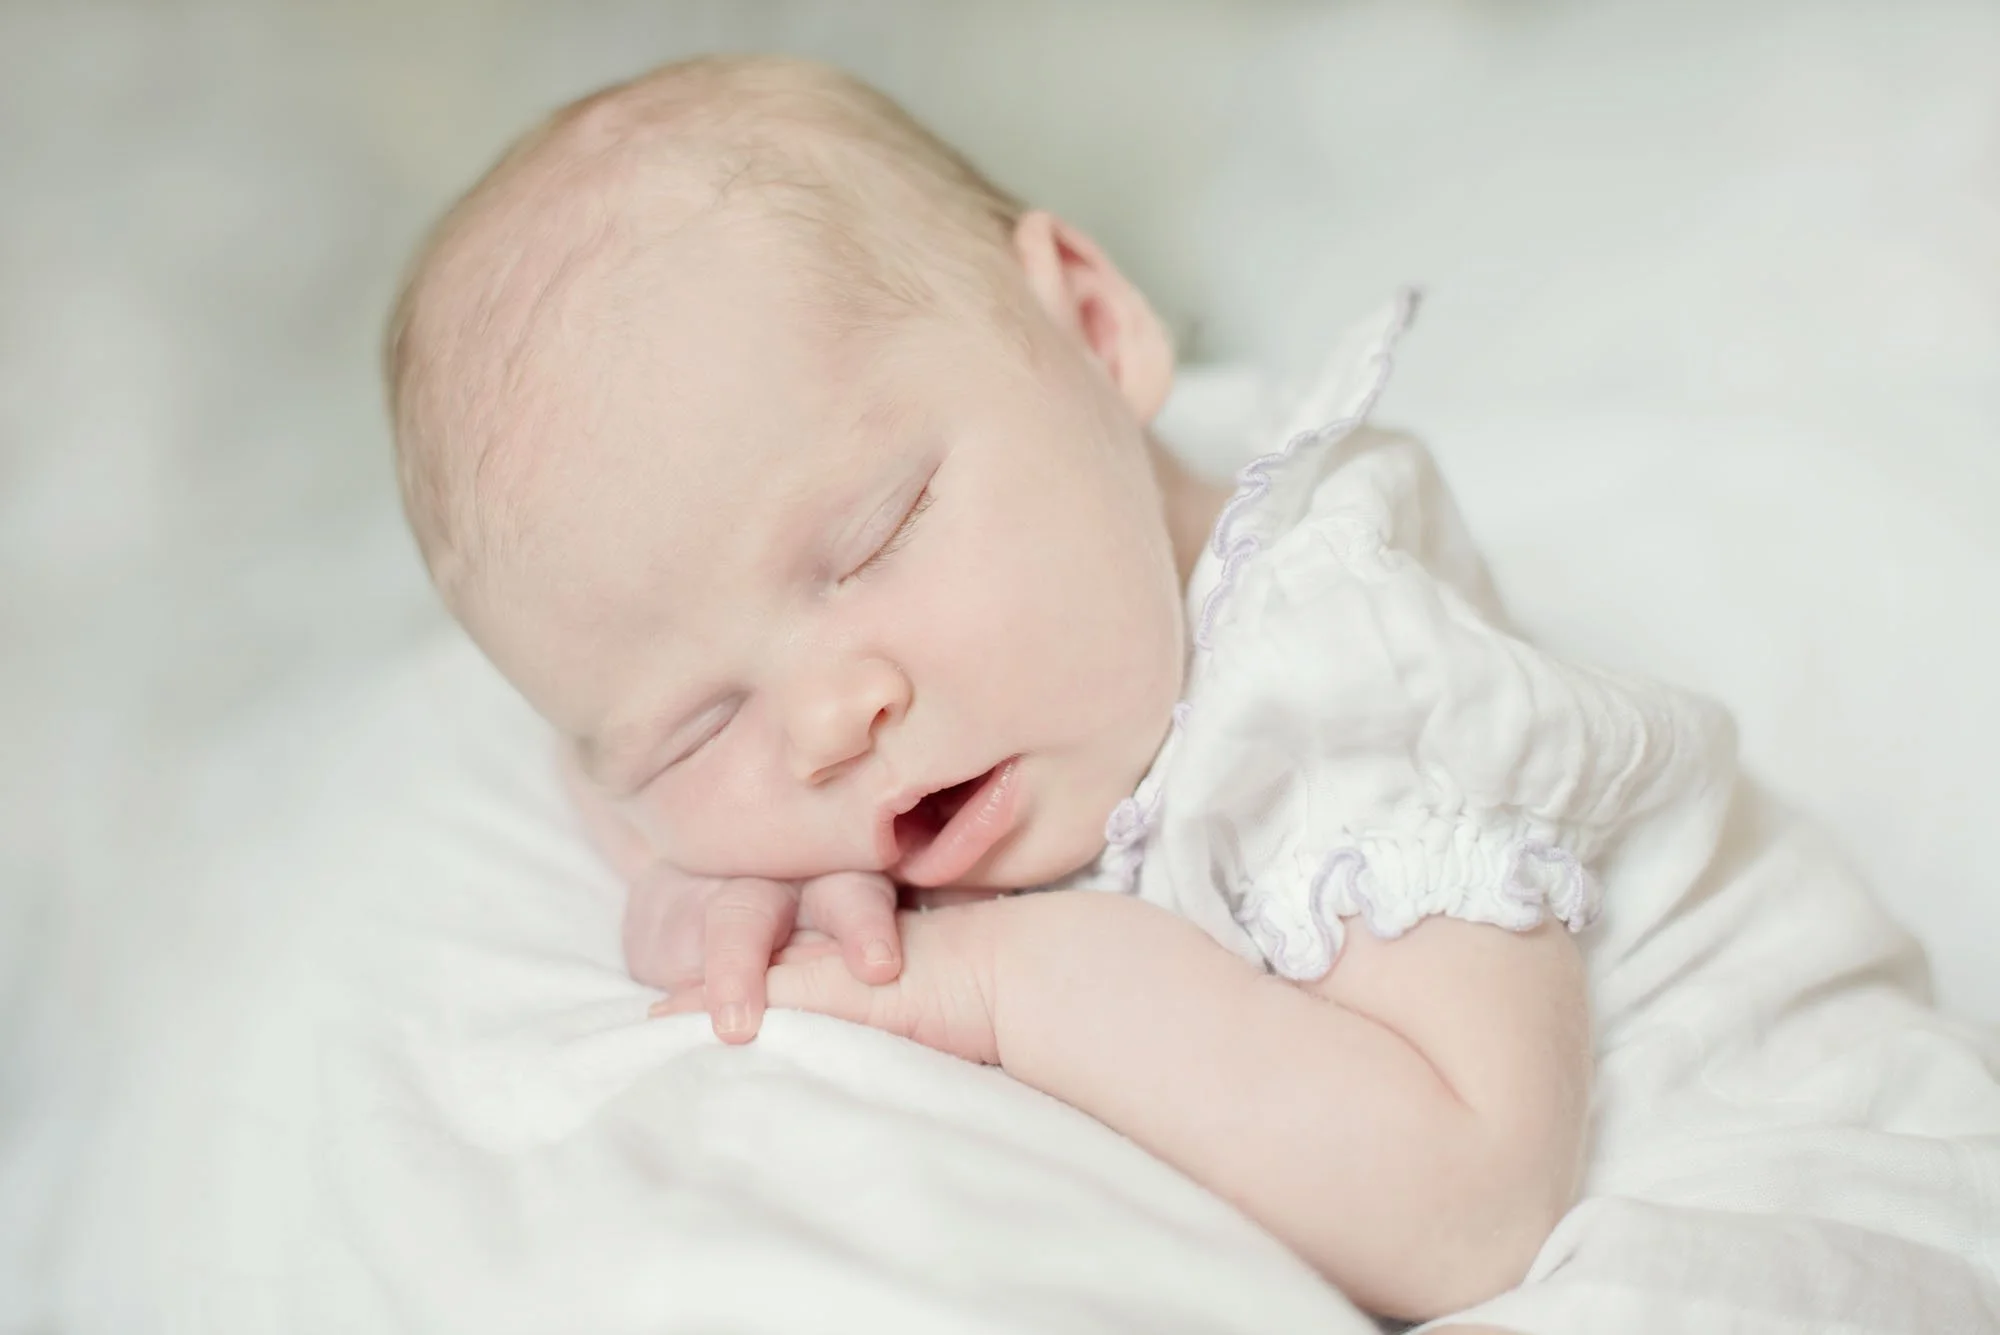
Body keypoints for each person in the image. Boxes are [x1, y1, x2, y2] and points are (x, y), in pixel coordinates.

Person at [383, 55, 2000, 1330]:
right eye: (699, 722)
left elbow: (1471, 1200)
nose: (823, 720)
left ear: (1095, 326)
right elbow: (597, 777)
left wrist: (1005, 982)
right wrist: (701, 890)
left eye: (872, 537)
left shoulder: (1341, 662)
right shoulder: (997, 657)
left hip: (1800, 1195)